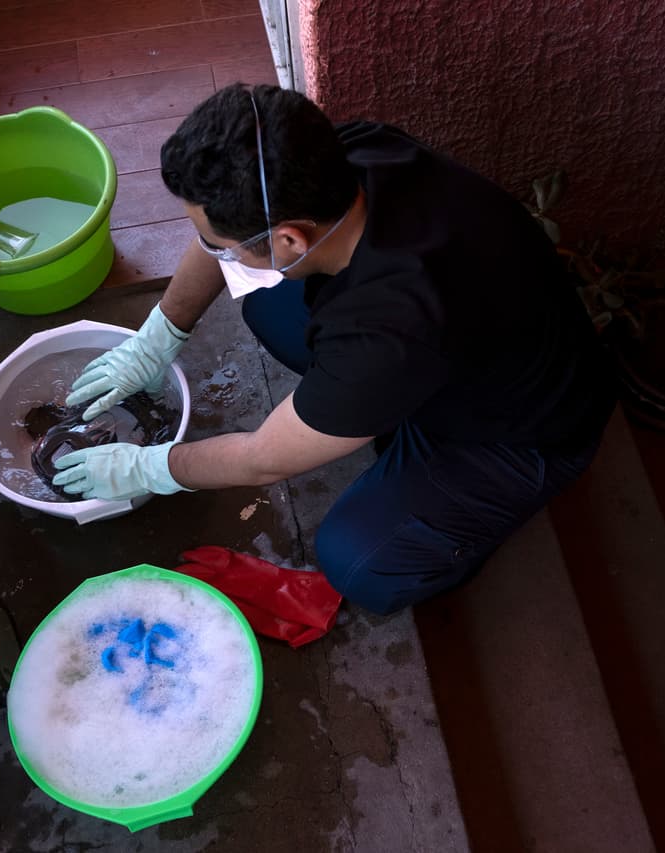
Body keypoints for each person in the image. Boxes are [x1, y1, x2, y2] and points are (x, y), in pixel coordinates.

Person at [53, 83, 615, 615]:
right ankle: (379, 421)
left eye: (221, 245)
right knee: (265, 306)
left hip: (518, 437)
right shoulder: (345, 156)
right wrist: (159, 336)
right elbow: (227, 233)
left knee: (359, 562)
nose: (213, 251)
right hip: (472, 347)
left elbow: (261, 459)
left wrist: (149, 467)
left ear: (291, 238)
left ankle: (443, 525)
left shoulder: (390, 332)